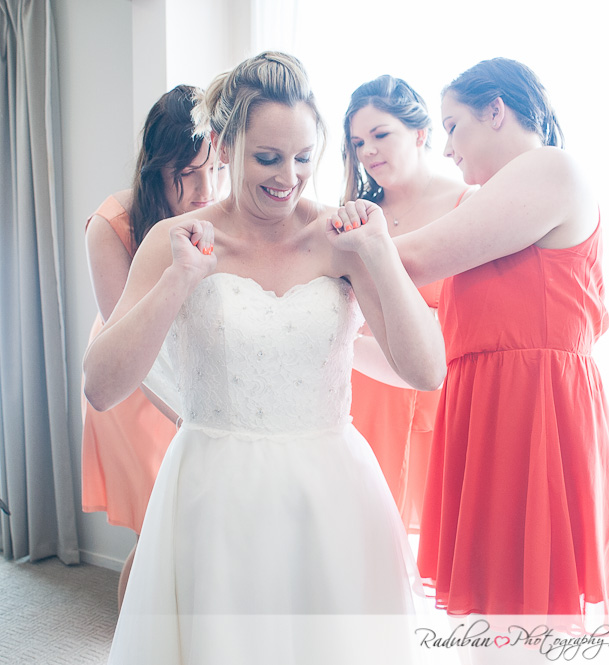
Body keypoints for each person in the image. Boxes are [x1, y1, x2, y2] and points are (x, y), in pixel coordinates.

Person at [83, 52, 445, 664]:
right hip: (215, 495)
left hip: (328, 495)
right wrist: (178, 280)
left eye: (304, 157)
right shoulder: (174, 241)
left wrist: (381, 251)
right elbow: (101, 385)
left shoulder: (342, 239)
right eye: (268, 158)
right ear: (225, 148)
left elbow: (427, 370)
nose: (289, 177)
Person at [336, 57, 609, 640]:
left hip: (535, 416)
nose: (448, 149)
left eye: (453, 126)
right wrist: (332, 342)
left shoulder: (550, 169)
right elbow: (434, 352)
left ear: (496, 111)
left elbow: (416, 258)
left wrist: (318, 257)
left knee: (526, 627)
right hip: (489, 413)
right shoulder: (494, 204)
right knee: (492, 628)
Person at [81, 84, 226, 609]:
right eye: (188, 173)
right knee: (158, 532)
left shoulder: (222, 214)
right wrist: (192, 414)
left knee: (199, 537)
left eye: (216, 169)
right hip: (134, 385)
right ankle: (133, 641)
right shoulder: (113, 224)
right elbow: (126, 337)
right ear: (156, 169)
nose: (206, 189)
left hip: (194, 376)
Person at [342, 74, 473, 533]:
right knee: (364, 538)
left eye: (380, 135)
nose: (368, 151)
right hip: (363, 398)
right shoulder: (355, 213)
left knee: (436, 541)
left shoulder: (467, 205)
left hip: (434, 399)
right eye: (358, 142)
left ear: (419, 133)